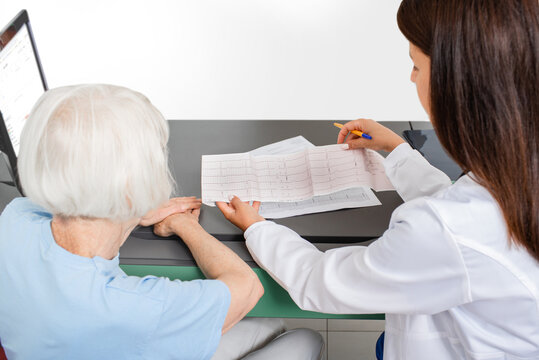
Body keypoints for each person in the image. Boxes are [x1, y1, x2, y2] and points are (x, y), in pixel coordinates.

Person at [216, 0, 539, 359]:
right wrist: (397, 150)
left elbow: (320, 282)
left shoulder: (442, 233)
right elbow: (461, 215)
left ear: (458, 88)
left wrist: (258, 227)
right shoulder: (517, 173)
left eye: (416, 64)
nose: (412, 77)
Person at [0, 84, 323, 359]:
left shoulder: (15, 218)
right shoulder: (138, 306)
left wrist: (131, 211)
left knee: (268, 328)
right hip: (126, 337)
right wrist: (185, 225)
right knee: (304, 339)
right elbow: (247, 288)